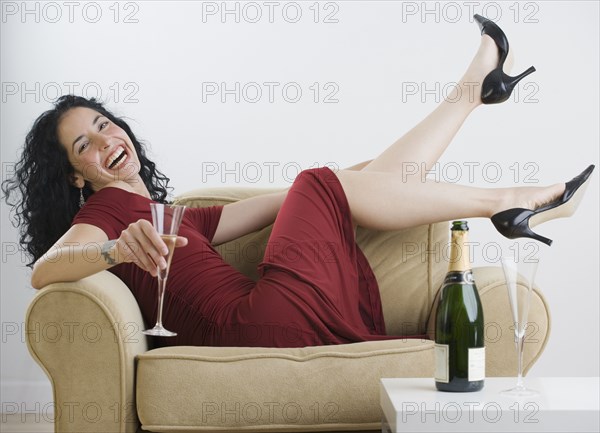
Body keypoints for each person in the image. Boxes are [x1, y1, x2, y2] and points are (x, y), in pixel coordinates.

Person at [2, 15, 594, 348]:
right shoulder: (106, 216)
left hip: (270, 318)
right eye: (86, 145)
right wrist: (111, 249)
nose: (107, 141)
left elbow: (299, 195)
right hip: (254, 324)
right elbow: (45, 271)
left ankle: (472, 96)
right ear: (76, 176)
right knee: (321, 181)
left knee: (327, 180)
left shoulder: (173, 216)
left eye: (105, 125)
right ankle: (510, 201)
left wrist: (360, 176)